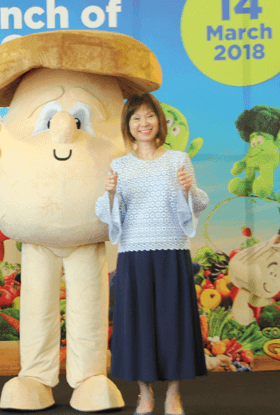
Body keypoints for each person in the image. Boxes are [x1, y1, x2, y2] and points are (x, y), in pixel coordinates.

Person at [95, 93, 209, 415]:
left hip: (172, 251)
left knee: (174, 324)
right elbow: (106, 213)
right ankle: (144, 396)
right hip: (134, 253)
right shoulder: (119, 166)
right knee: (136, 324)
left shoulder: (178, 159)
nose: (143, 123)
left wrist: (188, 190)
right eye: (135, 118)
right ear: (128, 125)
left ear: (159, 121)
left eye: (149, 116)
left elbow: (197, 204)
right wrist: (111, 193)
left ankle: (174, 394)